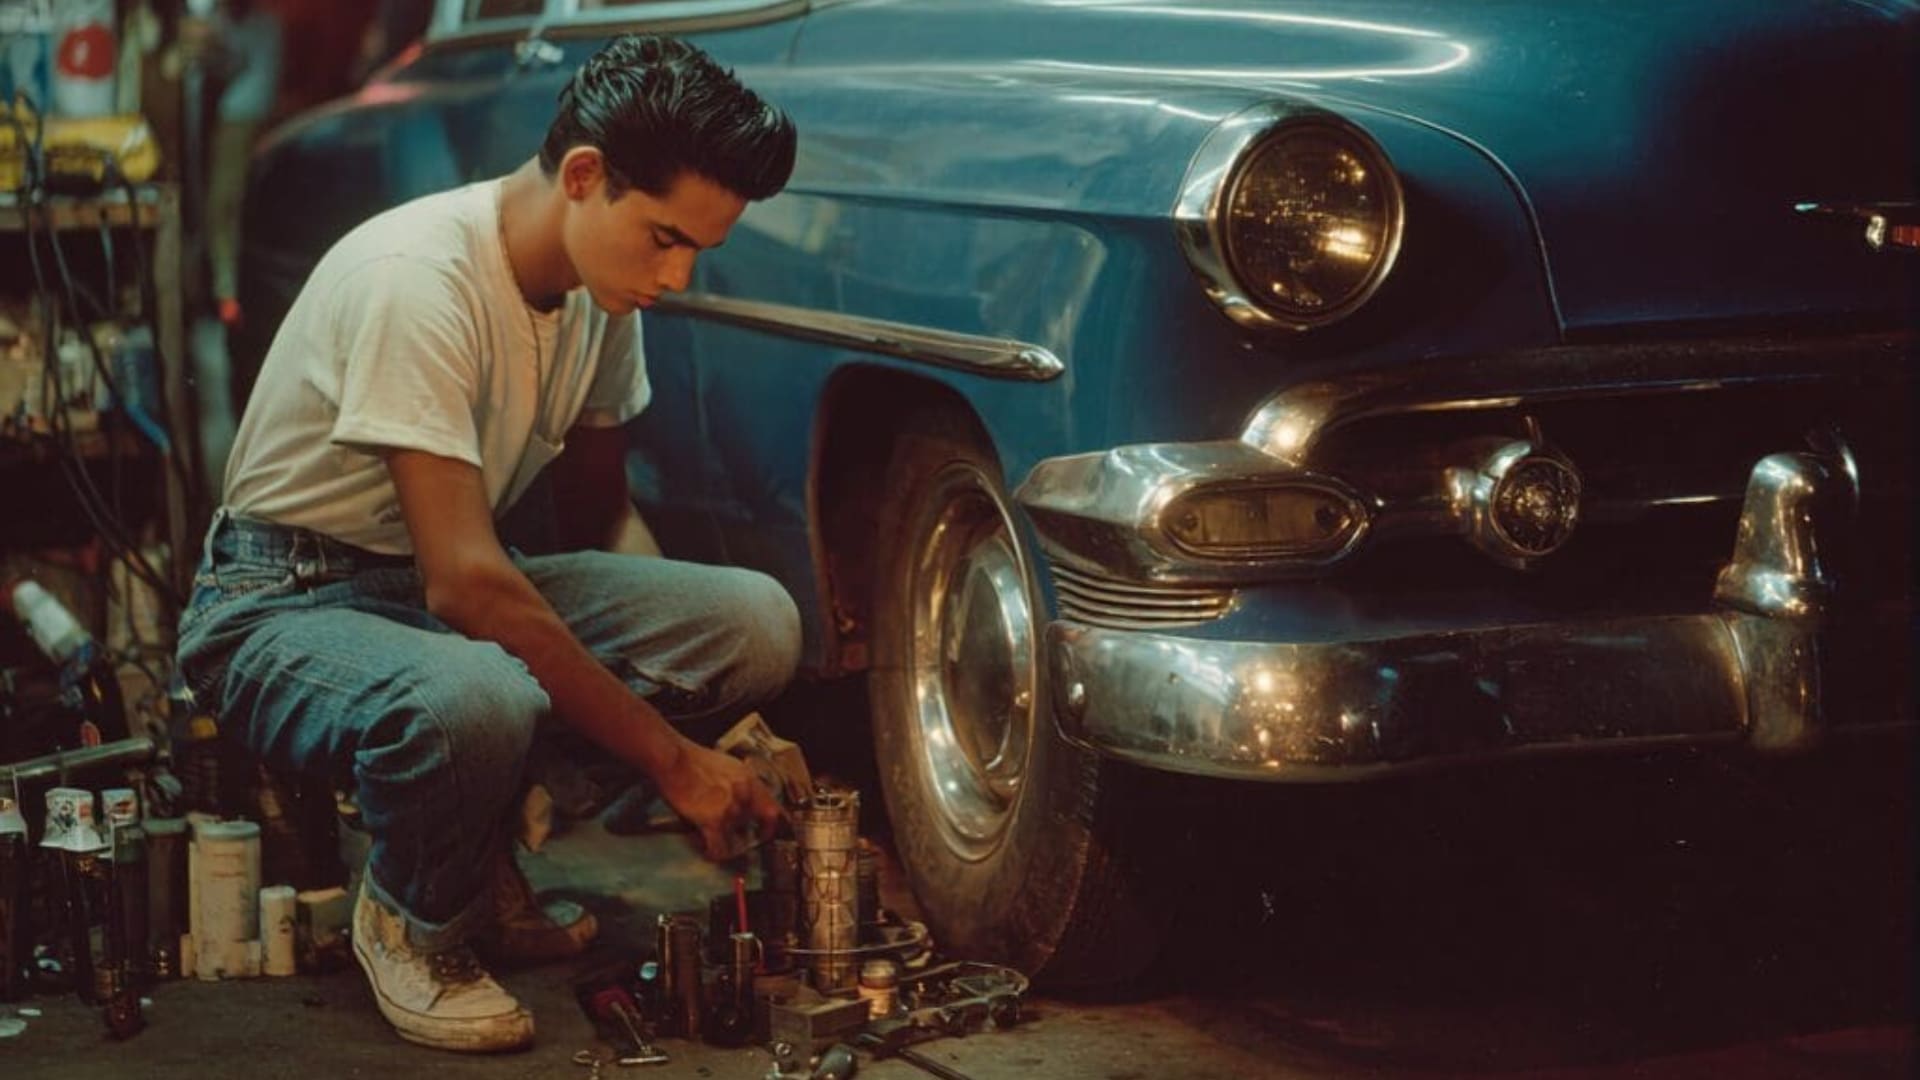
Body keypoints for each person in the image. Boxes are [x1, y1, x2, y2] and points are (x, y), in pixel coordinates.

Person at [174, 34, 800, 1053]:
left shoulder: (605, 294)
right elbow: (468, 586)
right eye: (664, 238)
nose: (677, 275)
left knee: (753, 623)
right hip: (280, 605)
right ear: (586, 175)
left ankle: (479, 849)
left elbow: (601, 528)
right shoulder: (418, 277)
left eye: (698, 250)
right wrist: (666, 759)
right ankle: (415, 919)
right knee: (476, 691)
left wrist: (702, 722)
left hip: (423, 600)